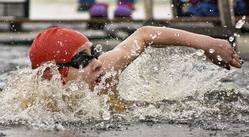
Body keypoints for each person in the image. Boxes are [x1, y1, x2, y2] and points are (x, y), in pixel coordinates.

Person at [29, 26, 242, 98]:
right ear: (51, 74)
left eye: (94, 53)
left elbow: (143, 35)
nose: (97, 63)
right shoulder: (38, 106)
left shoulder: (105, 73)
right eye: (83, 59)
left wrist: (207, 43)